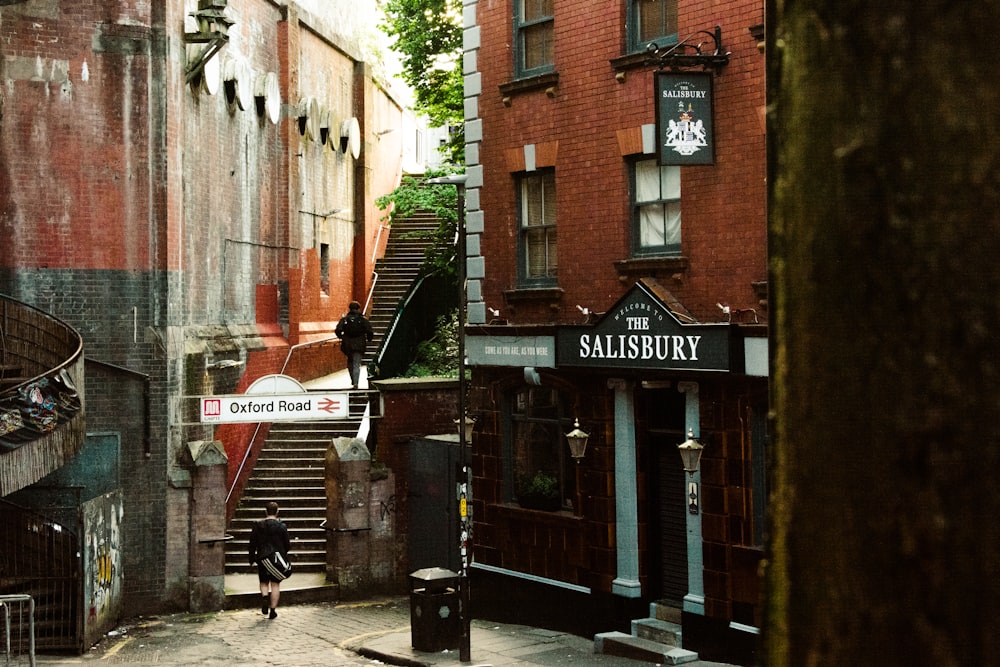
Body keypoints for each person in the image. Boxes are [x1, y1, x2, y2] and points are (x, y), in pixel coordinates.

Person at [248, 501, 291, 619]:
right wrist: (283, 555)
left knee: (263, 582)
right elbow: (287, 544)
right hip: (276, 559)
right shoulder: (281, 526)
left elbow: (252, 544)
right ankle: (273, 610)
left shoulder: (258, 525)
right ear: (277, 512)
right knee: (275, 584)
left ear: (265, 512)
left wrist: (251, 558)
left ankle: (265, 597)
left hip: (262, 558)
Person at [335, 300, 374, 389]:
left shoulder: (345, 319)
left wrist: (341, 337)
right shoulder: (362, 320)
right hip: (359, 344)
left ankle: (353, 380)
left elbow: (338, 330)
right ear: (358, 308)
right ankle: (356, 383)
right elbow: (369, 331)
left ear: (350, 308)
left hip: (347, 344)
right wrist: (369, 339)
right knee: (356, 364)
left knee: (350, 363)